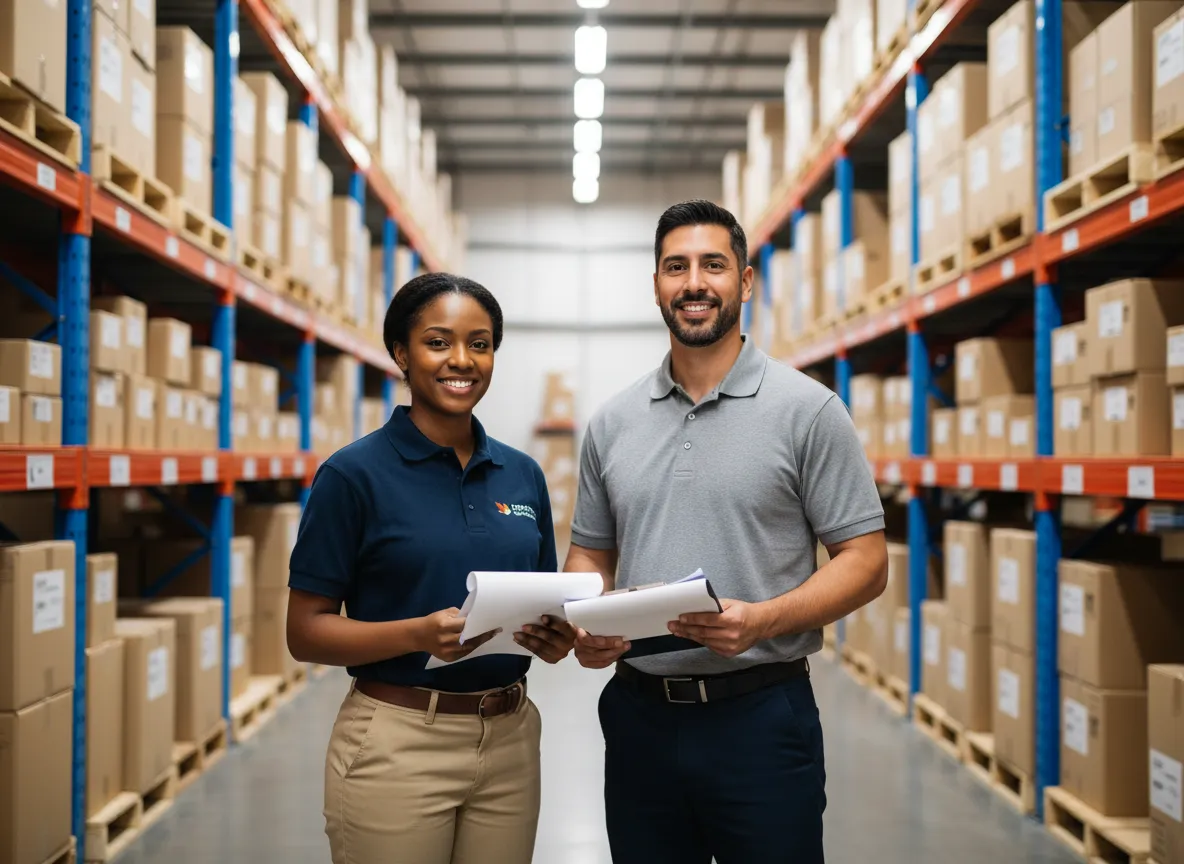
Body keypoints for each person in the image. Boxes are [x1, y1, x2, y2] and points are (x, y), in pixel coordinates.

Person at [565, 200, 889, 864]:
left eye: (713, 265)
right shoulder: (612, 423)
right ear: (656, 282)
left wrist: (763, 620)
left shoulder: (809, 411)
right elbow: (590, 553)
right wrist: (583, 622)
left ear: (744, 281)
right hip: (639, 717)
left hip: (761, 719)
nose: (693, 283)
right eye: (675, 266)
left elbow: (866, 560)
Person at [286, 272, 576, 864]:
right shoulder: (353, 475)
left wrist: (555, 638)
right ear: (401, 352)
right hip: (398, 741)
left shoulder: (523, 475)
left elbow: (544, 601)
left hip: (510, 738)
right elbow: (305, 632)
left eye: (481, 343)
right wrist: (417, 635)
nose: (462, 360)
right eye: (439, 342)